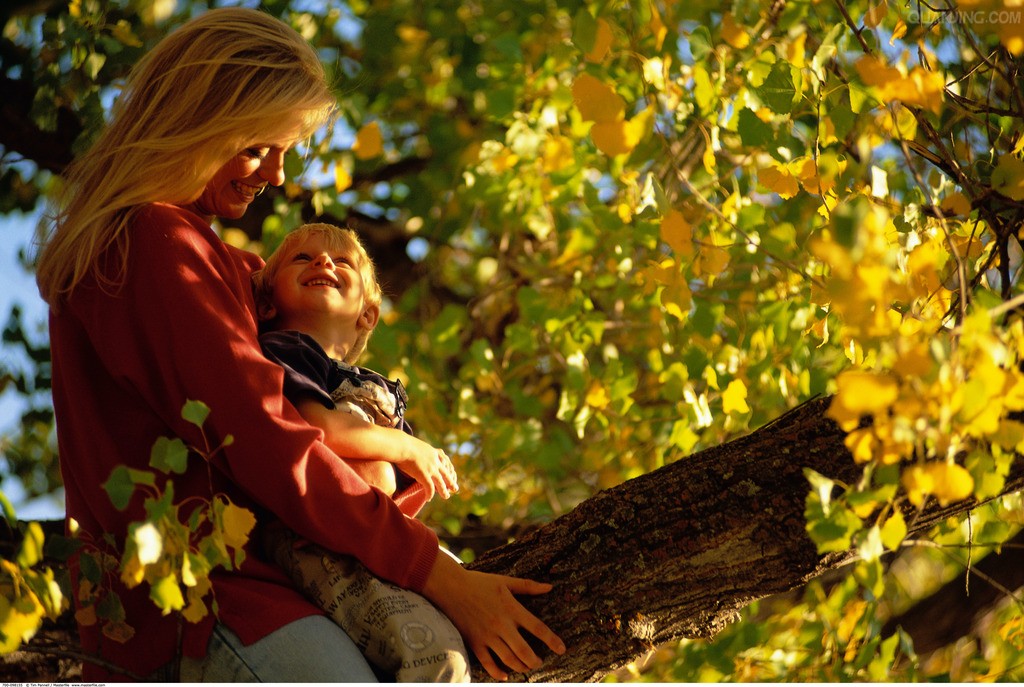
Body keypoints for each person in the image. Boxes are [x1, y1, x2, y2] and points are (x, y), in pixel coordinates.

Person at [35, 7, 565, 682]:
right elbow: (266, 439)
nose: (277, 175)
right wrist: (437, 573)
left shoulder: (200, 257)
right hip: (220, 611)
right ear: (198, 121)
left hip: (243, 603)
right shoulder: (158, 245)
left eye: (286, 151)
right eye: (260, 146)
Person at [252, 222, 469, 681]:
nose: (323, 262)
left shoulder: (369, 386)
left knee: (469, 600)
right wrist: (406, 445)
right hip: (318, 541)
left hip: (374, 538)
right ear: (269, 303)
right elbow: (320, 429)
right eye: (302, 259)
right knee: (438, 659)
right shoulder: (289, 350)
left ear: (367, 316)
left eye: (341, 261)